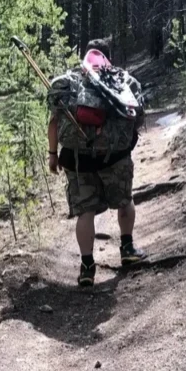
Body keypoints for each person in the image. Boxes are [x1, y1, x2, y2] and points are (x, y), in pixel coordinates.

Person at [47, 39, 147, 287]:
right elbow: (136, 118)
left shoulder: (70, 84)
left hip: (78, 160)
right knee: (125, 200)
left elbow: (53, 123)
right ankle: (127, 249)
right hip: (115, 156)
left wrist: (52, 154)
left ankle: (87, 267)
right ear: (108, 57)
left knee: (85, 212)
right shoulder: (123, 81)